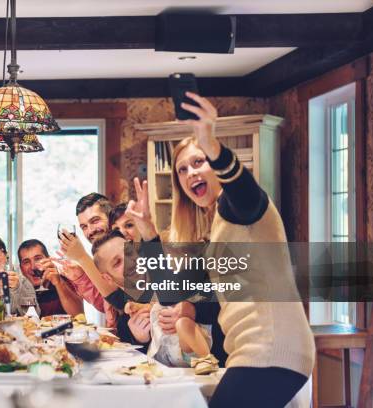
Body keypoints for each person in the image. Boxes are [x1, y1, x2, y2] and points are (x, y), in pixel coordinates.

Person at [131, 92, 314, 407]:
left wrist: (212, 144)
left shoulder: (241, 209)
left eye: (198, 162)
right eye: (183, 170)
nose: (191, 174)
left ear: (215, 167)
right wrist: (148, 233)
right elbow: (175, 295)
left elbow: (241, 187)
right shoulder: (215, 231)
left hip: (272, 350)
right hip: (252, 353)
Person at [92, 230, 218, 374]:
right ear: (108, 278)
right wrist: (140, 341)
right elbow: (138, 370)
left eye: (129, 252)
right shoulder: (126, 322)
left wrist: (193, 309)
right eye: (117, 262)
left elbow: (223, 297)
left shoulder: (177, 271)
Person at [57, 193, 120, 327]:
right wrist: (80, 277)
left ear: (111, 218)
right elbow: (106, 305)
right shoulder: (100, 257)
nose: (90, 231)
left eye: (95, 220)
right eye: (84, 227)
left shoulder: (127, 251)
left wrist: (82, 258)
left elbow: (119, 301)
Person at [18, 239, 83, 317]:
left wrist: (59, 283)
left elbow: (79, 314)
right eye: (26, 262)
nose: (33, 267)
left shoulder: (66, 280)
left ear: (48, 260)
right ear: (21, 268)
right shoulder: (18, 291)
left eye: (38, 258)